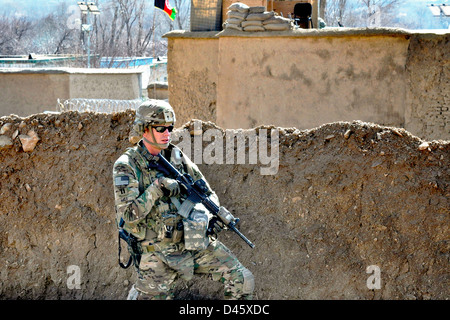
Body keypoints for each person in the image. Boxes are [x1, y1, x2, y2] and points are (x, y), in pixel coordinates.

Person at [112, 99, 254, 300]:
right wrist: (157, 187)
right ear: (144, 130)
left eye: (170, 128)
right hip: (156, 251)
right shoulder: (127, 166)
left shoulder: (176, 157)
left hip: (191, 244)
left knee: (242, 280)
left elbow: (205, 192)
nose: (167, 133)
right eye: (160, 128)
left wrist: (209, 217)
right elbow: (128, 216)